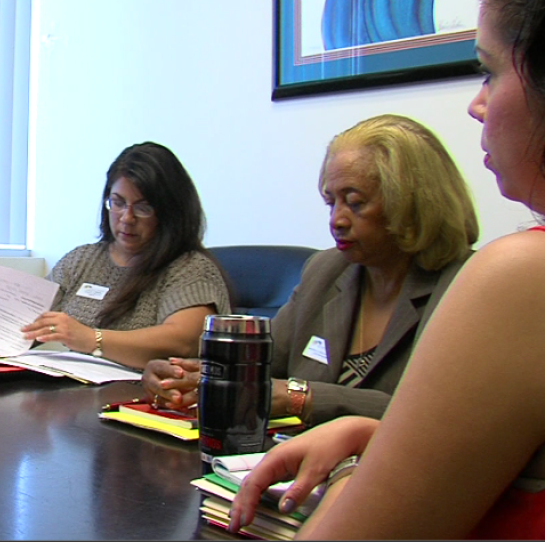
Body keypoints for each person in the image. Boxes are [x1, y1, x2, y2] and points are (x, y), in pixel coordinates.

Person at [228, 0, 545, 538]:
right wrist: (370, 436)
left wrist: (355, 478)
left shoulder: (518, 275)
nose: (476, 105)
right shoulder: (327, 273)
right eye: (330, 201)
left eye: (488, 71)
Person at [143, 114, 479, 426]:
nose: (337, 220)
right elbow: (260, 367)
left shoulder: (468, 286)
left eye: (356, 202)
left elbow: (439, 416)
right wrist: (186, 375)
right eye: (331, 202)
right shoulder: (328, 270)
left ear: (412, 201)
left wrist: (298, 398)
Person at [0, 142, 231, 370]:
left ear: (170, 212)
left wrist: (91, 339)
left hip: (142, 404)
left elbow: (184, 340)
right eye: (118, 202)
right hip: (74, 402)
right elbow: (30, 326)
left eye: (143, 207)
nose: (126, 218)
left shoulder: (190, 269)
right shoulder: (81, 260)